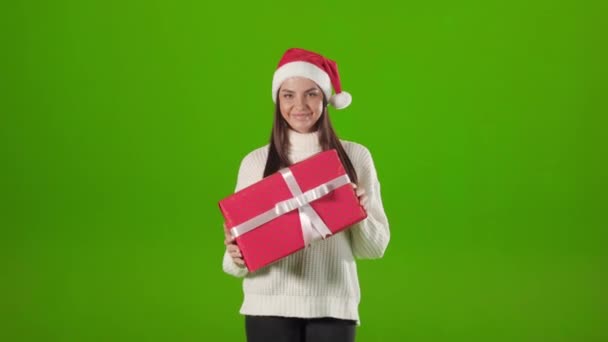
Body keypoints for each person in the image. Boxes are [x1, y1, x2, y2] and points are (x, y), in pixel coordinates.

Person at [222, 48, 390, 342]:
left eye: (311, 94)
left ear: (325, 98)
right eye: (288, 95)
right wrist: (236, 255)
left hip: (334, 305)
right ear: (278, 101)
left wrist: (359, 215)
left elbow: (374, 249)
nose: (299, 105)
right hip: (267, 305)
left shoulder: (355, 156)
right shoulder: (255, 162)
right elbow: (232, 264)